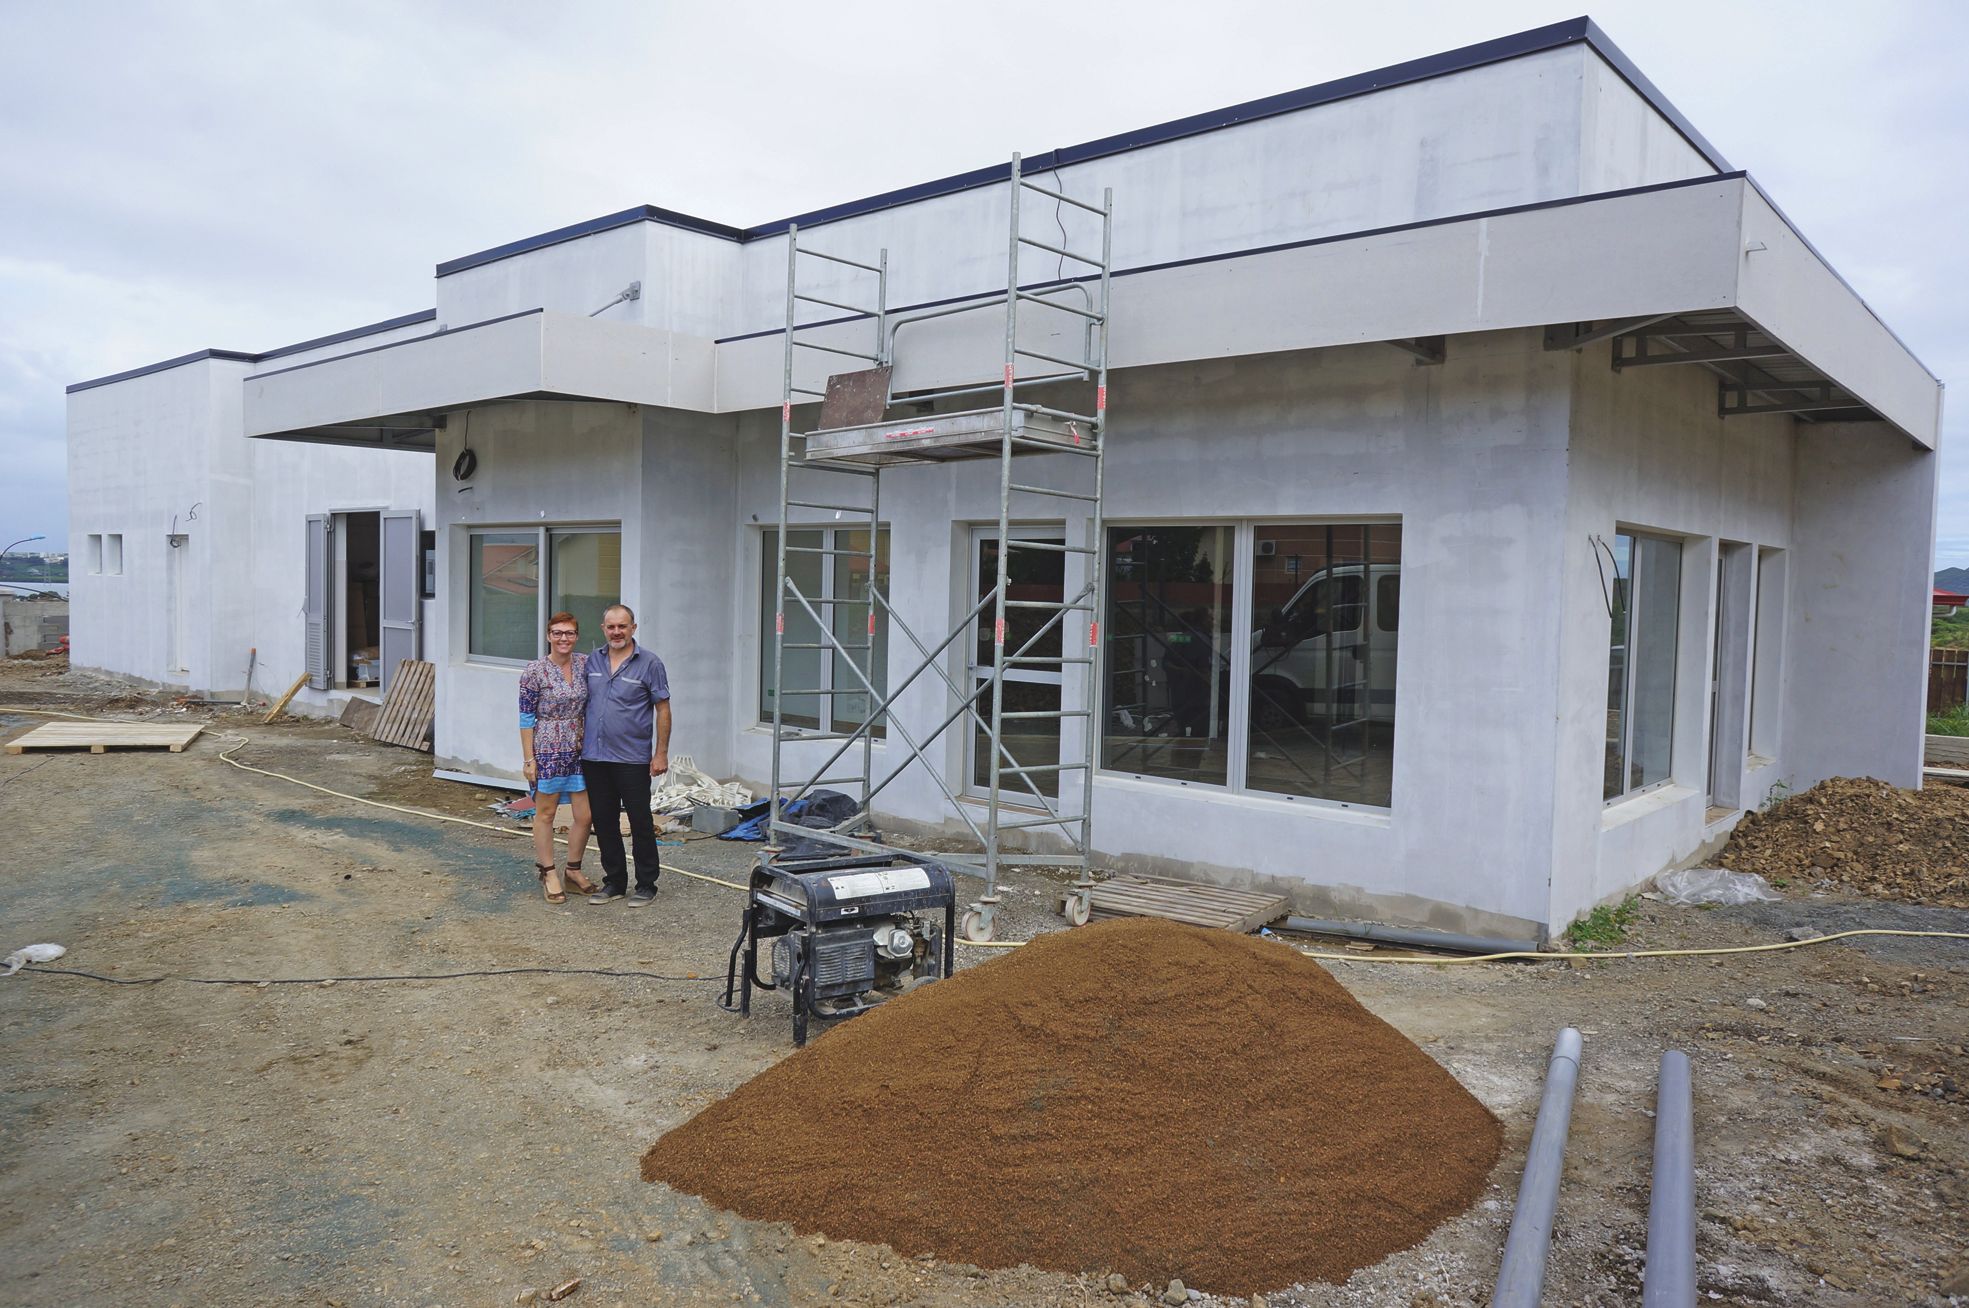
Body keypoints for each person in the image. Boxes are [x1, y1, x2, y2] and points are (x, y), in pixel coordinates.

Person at [580, 603, 671, 906]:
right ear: (603, 629)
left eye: (622, 626)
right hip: (595, 757)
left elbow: (663, 709)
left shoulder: (650, 663)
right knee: (604, 822)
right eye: (611, 626)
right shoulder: (592, 661)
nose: (616, 632)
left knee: (640, 821)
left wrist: (660, 754)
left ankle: (646, 884)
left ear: (633, 628)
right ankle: (615, 882)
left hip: (632, 758)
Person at [518, 612, 598, 904]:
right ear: (548, 636)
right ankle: (548, 871)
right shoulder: (534, 671)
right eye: (557, 633)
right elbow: (526, 718)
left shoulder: (586, 664)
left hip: (580, 745)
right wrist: (529, 759)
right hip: (547, 748)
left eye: (570, 633)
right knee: (547, 813)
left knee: (585, 814)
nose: (564, 638)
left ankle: (573, 870)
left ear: (577, 636)